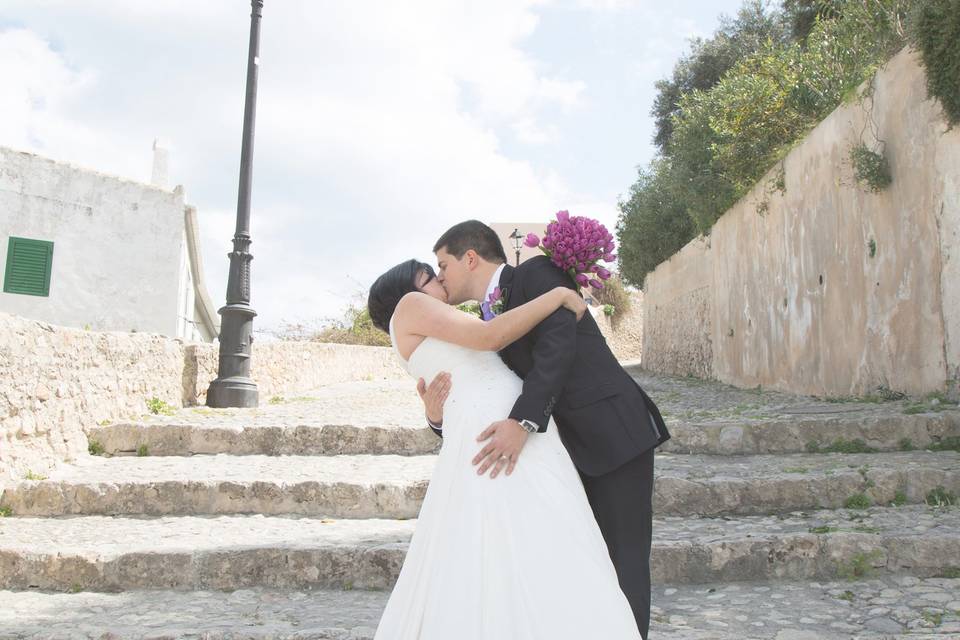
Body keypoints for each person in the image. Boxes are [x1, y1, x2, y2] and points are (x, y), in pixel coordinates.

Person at [417, 220, 671, 638]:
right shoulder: (483, 323)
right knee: (584, 565)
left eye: (443, 264)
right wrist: (437, 418)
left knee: (622, 560)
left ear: (470, 258)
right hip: (561, 455)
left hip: (611, 433)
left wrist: (523, 421)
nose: (440, 275)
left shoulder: (535, 274)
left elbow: (559, 345)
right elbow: (485, 392)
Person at [367, 257, 644, 640]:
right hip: (501, 432)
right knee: (537, 533)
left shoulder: (423, 323)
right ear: (406, 291)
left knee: (520, 537)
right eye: (429, 276)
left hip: (499, 428)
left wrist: (435, 417)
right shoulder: (411, 307)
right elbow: (490, 337)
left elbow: (456, 385)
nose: (440, 279)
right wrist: (558, 296)